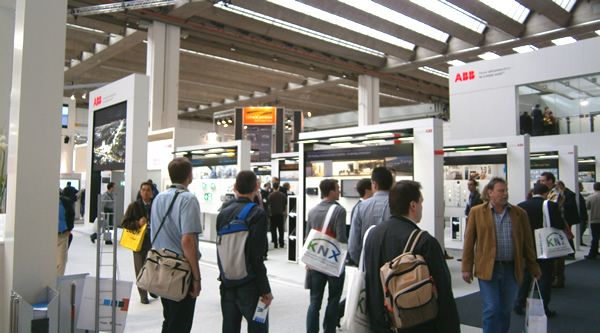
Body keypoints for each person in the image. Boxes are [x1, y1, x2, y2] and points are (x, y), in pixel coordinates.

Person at [364, 180, 460, 332]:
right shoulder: (424, 241)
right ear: (413, 205)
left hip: (382, 322)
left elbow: (370, 279)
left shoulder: (373, 235)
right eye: (421, 203)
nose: (421, 207)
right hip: (416, 324)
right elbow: (443, 291)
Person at [462, 177, 540, 333]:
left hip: (511, 269)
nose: (505, 194)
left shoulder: (519, 213)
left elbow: (527, 243)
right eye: (500, 190)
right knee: (492, 309)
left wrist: (533, 266)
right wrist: (467, 267)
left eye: (506, 190)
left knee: (505, 310)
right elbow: (469, 242)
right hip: (488, 269)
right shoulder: (477, 212)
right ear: (490, 193)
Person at [217, 170, 273, 333]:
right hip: (250, 284)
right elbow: (256, 257)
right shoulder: (257, 213)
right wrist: (266, 290)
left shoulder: (224, 212)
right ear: (256, 187)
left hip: (227, 283)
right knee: (257, 327)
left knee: (229, 328)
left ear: (235, 187)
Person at [150, 157, 202, 333]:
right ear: (190, 176)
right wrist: (196, 277)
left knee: (170, 318)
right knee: (181, 323)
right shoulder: (188, 199)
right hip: (180, 271)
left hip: (161, 266)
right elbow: (187, 240)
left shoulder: (158, 198)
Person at [514, 184, 564, 318]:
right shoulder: (550, 206)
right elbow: (558, 224)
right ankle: (543, 307)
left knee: (526, 276)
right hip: (544, 246)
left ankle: (519, 303)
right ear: (546, 193)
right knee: (545, 277)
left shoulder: (521, 206)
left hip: (527, 246)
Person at [305, 179, 347, 333]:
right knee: (334, 299)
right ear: (331, 192)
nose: (339, 191)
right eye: (337, 188)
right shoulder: (339, 211)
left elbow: (307, 237)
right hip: (333, 261)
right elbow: (341, 238)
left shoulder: (312, 210)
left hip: (315, 260)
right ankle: (329, 330)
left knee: (315, 301)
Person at [348, 167, 393, 264]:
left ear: (374, 184)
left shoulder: (360, 207)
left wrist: (362, 263)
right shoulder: (397, 206)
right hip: (393, 268)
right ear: (391, 184)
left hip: (367, 266)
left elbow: (353, 246)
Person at [121, 182, 157, 304]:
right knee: (140, 268)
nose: (145, 192)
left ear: (152, 192)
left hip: (154, 241)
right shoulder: (134, 206)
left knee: (153, 267)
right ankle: (143, 294)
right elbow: (125, 223)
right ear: (140, 191)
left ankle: (152, 288)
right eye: (143, 190)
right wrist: (138, 224)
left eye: (148, 190)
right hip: (139, 243)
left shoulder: (156, 205)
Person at [539, 172, 567, 288]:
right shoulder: (548, 193)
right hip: (547, 224)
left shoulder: (556, 193)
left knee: (557, 252)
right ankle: (551, 276)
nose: (541, 182)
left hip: (555, 225)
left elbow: (550, 207)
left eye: (543, 180)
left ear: (550, 181)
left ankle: (558, 278)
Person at [556, 180, 578, 259]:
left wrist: (561, 202)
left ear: (561, 186)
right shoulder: (562, 194)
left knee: (568, 235)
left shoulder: (569, 194)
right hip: (565, 217)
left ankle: (571, 253)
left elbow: (571, 205)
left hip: (568, 217)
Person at [58, 190, 75, 276]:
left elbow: (71, 215)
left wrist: (69, 229)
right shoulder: (44, 202)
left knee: (61, 262)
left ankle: (57, 285)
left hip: (62, 235)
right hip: (47, 236)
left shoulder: (65, 202)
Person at [267, 182, 287, 249]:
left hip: (273, 214)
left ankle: (274, 243)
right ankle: (281, 242)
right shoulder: (283, 195)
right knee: (281, 229)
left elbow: (269, 205)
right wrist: (284, 212)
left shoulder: (270, 195)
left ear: (273, 187)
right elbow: (285, 205)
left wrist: (270, 212)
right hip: (280, 214)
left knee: (273, 229)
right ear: (278, 187)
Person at [585, 182, 600, 260]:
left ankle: (593, 253)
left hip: (594, 220)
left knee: (595, 237)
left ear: (594, 188)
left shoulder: (590, 197)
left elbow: (588, 207)